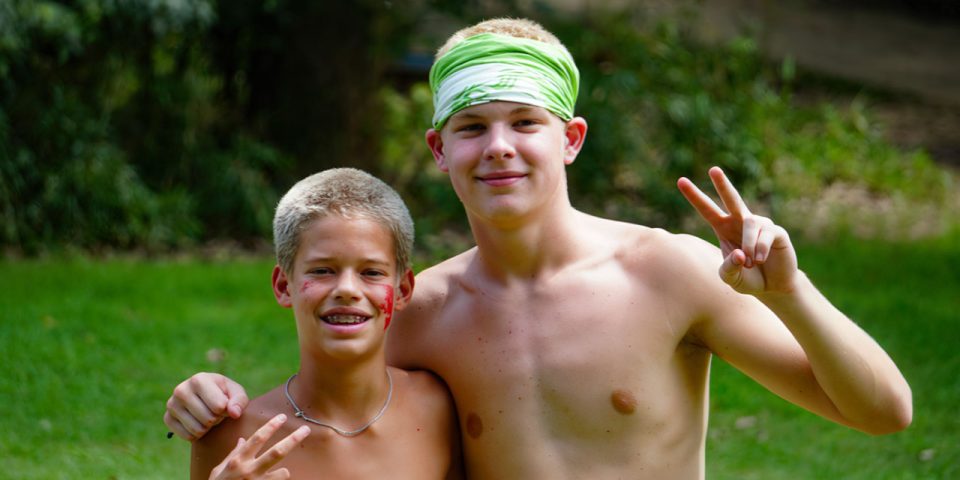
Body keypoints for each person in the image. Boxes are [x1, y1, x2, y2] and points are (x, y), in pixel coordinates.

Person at [166, 18, 912, 479]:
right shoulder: (419, 312)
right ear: (438, 149)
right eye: (472, 127)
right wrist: (209, 397)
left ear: (571, 139)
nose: (499, 148)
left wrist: (792, 295)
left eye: (525, 121)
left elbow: (884, 413)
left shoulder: (668, 271)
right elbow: (332, 411)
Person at [189, 168, 461, 479]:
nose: (346, 289)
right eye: (322, 271)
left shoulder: (437, 408)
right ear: (283, 286)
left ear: (402, 290)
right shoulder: (236, 436)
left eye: (371, 272)